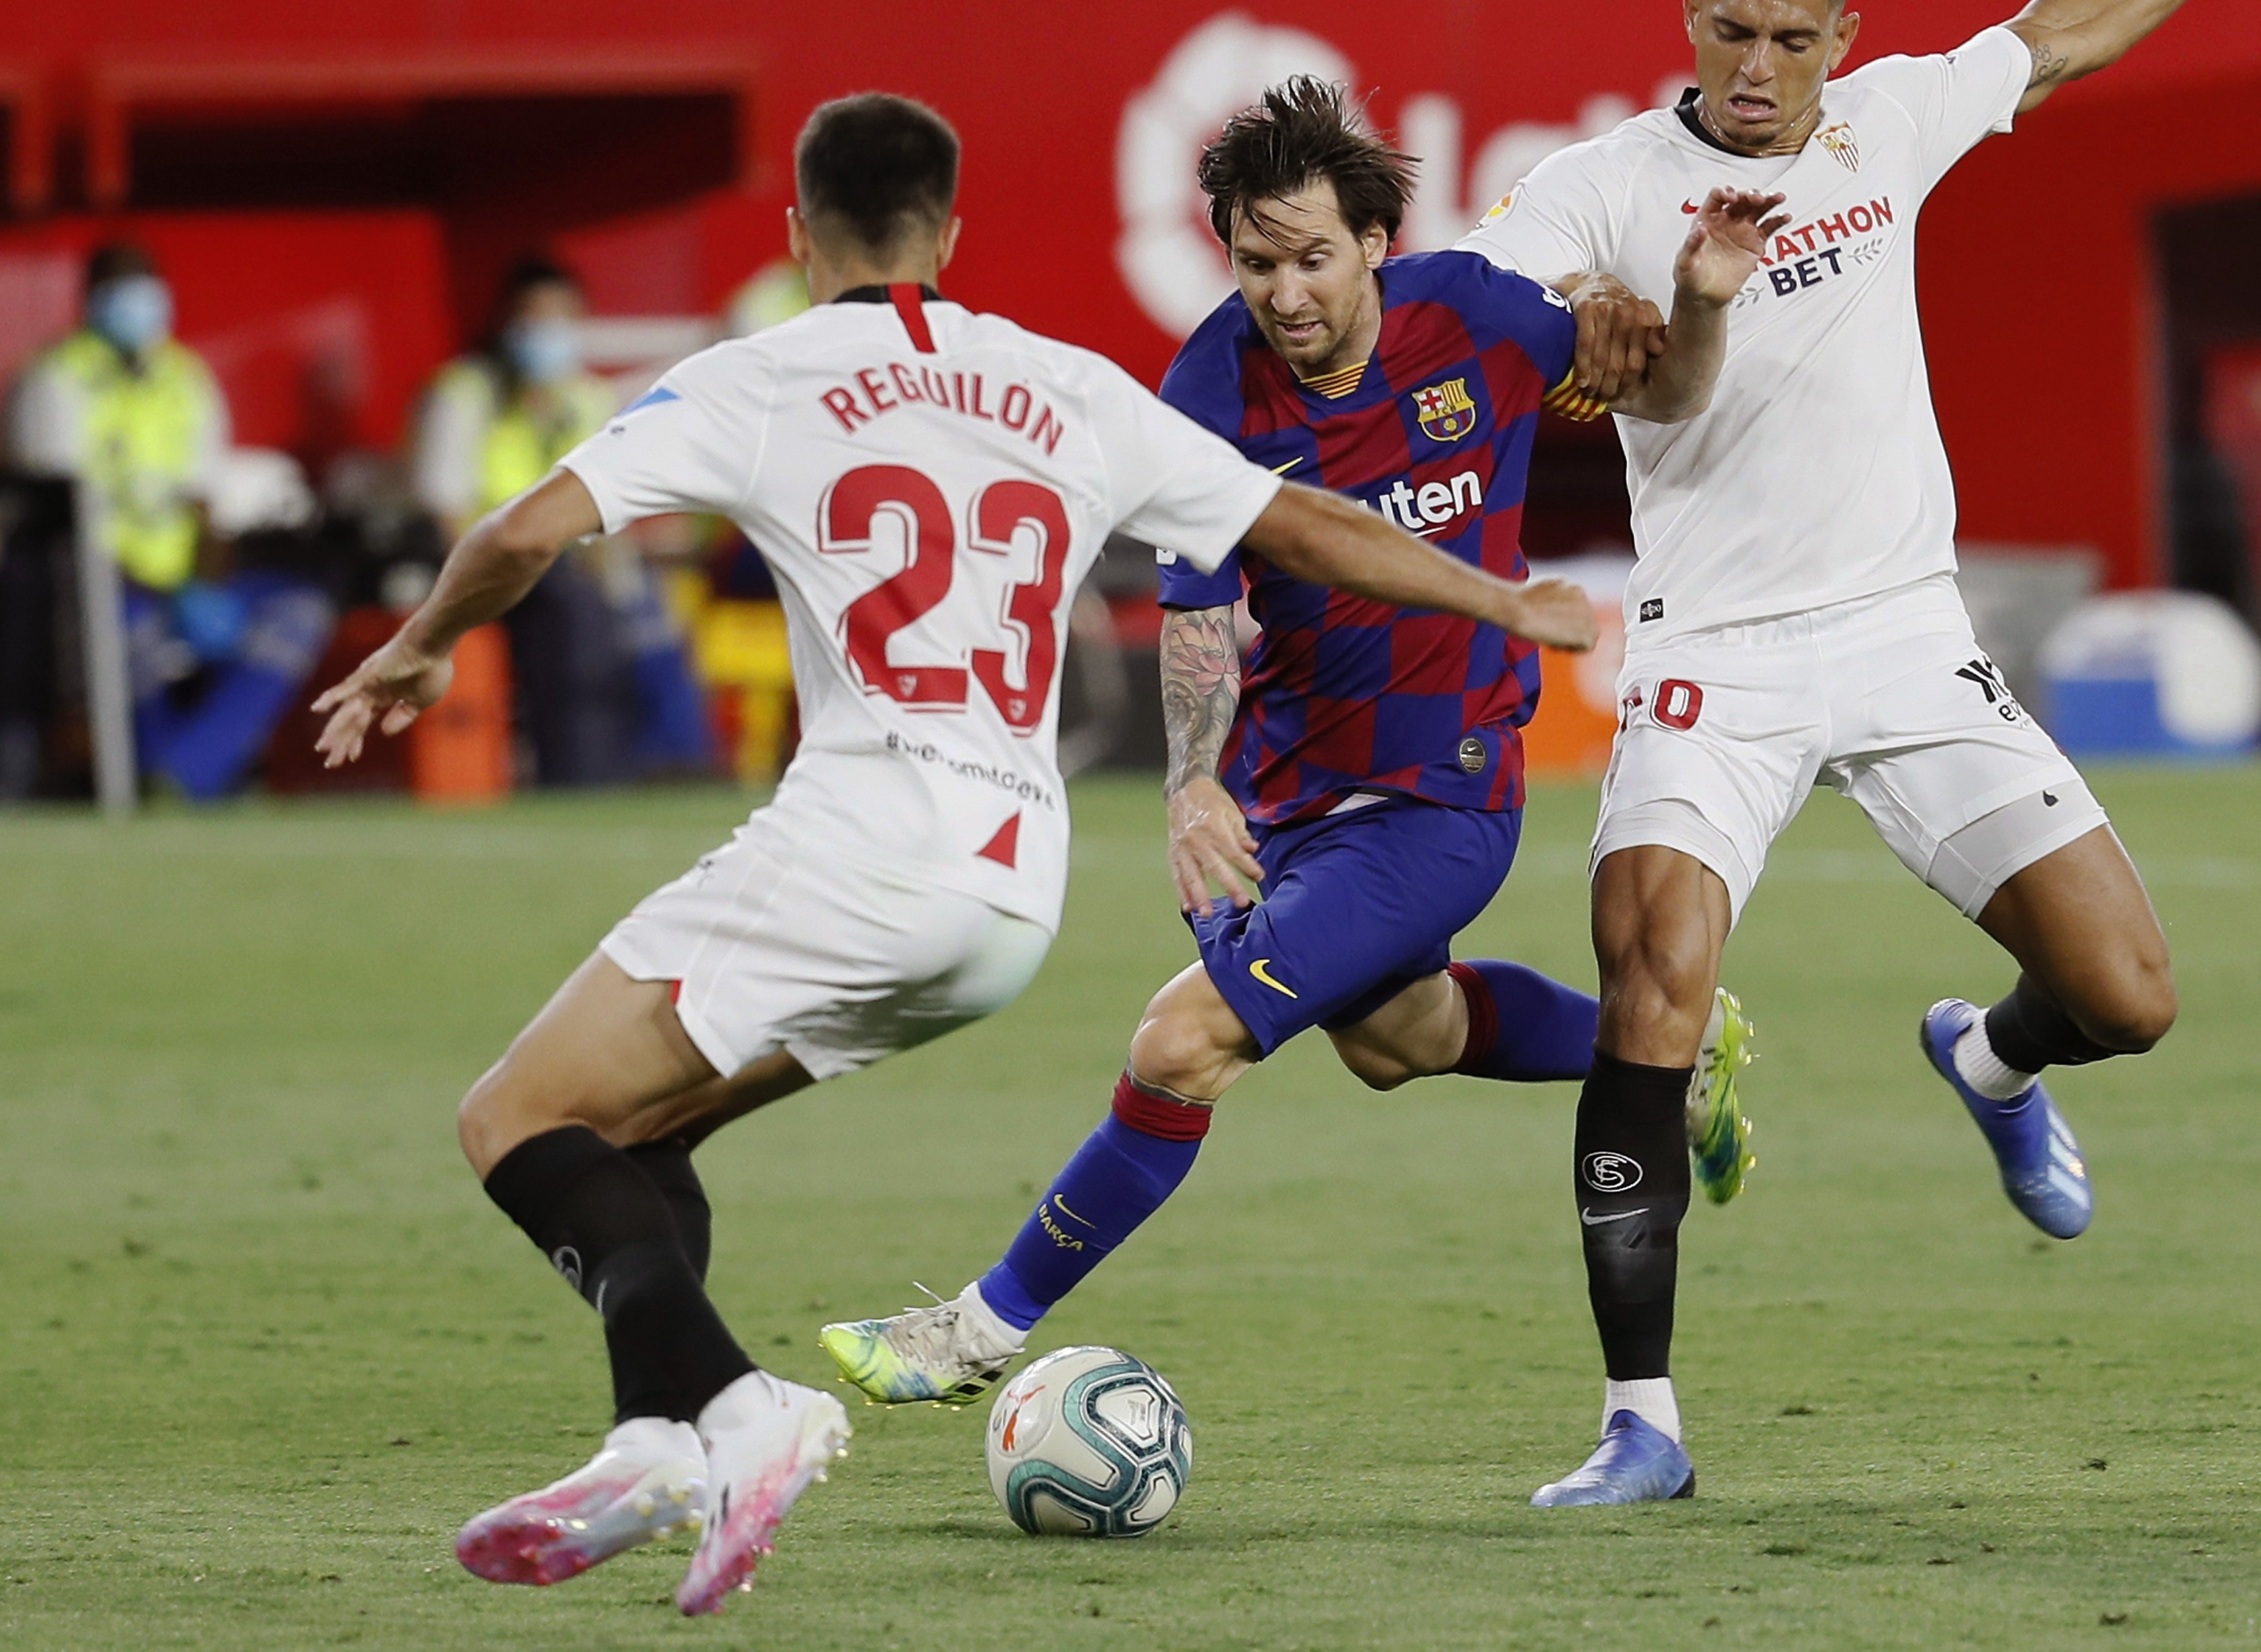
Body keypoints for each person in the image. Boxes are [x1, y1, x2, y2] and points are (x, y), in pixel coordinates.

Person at [309, 91, 1596, 1613]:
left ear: (798, 239)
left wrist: (413, 649)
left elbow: (523, 534)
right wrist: (1501, 599)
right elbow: (1300, 522)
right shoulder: (1065, 381)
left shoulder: (759, 375)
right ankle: (652, 1436)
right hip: (1008, 893)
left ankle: (742, 1407)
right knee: (638, 1131)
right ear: (956, 231)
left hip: (856, 845)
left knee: (511, 1115)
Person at [1457, 0, 2261, 1504]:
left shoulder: (1889, 123)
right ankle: (1639, 1416)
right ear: (1689, 16)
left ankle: (1990, 1056)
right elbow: (1605, 361)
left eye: (1795, 37)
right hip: (1714, 649)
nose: (1761, 65)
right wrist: (1593, 313)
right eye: (1732, 27)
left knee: (2130, 998)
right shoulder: (1594, 189)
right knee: (1652, 988)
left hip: (1901, 629)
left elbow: (2072, 21)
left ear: (1839, 42)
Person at [815, 80, 1781, 1406]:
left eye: (1311, 256)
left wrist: (1704, 300)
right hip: (1288, 789)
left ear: (1375, 241)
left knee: (1179, 1044)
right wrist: (1193, 782)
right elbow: (1200, 613)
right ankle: (1670, 1052)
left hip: (1440, 794)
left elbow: (1663, 391)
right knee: (1404, 1039)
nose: (1283, 292)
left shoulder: (1477, 315)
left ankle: (972, 1333)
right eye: (1255, 262)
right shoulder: (1205, 383)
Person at [6, 240, 331, 800]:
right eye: (123, 292)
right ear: (91, 300)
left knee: (297, 612)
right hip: (97, 579)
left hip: (180, 577)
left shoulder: (184, 376)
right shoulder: (57, 378)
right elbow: (54, 506)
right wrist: (146, 584)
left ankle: (183, 774)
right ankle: (169, 780)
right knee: (137, 642)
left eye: (147, 291)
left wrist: (206, 584)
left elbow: (205, 495)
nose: (141, 309)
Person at [411, 257, 703, 783]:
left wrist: (623, 575)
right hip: (492, 565)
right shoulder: (467, 394)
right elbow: (445, 510)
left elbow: (612, 501)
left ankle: (677, 761)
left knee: (649, 613)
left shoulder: (584, 397)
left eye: (561, 319)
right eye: (536, 320)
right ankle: (578, 772)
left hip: (569, 561)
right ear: (508, 323)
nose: (548, 334)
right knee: (575, 613)